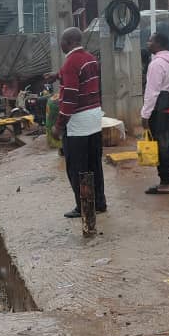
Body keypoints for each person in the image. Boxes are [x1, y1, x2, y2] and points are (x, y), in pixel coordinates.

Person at [48, 26, 106, 218]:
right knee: (94, 163)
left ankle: (82, 206)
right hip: (95, 117)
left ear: (70, 42)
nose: (61, 45)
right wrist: (57, 75)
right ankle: (100, 202)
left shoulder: (70, 63)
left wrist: (59, 125)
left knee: (77, 167)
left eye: (63, 42)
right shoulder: (90, 58)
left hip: (78, 122)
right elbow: (77, 76)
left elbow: (70, 98)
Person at [141, 32, 169, 195]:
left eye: (150, 41)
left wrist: (145, 115)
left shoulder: (156, 64)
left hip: (160, 111)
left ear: (158, 44)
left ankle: (164, 183)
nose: (148, 43)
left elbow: (152, 92)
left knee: (162, 145)